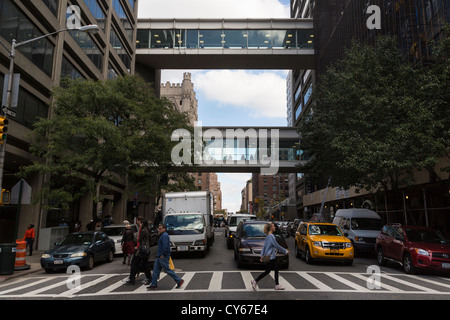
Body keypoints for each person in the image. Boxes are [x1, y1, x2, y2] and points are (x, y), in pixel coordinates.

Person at [251, 222, 289, 291]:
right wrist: (285, 251)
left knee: (269, 271)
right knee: (273, 270)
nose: (275, 227)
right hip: (270, 256)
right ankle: (275, 285)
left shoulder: (267, 236)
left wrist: (261, 256)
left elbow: (264, 247)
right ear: (270, 228)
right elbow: (276, 245)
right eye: (273, 226)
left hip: (269, 256)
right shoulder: (271, 236)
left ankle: (255, 281)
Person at [147, 224, 184, 290]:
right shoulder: (162, 235)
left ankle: (179, 280)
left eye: (160, 229)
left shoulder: (164, 236)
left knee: (167, 270)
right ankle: (153, 284)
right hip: (159, 256)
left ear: (164, 229)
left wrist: (163, 254)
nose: (159, 230)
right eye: (159, 228)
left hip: (162, 256)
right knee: (155, 271)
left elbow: (165, 247)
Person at [124, 217, 152, 285]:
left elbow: (139, 240)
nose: (137, 222)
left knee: (135, 264)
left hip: (141, 250)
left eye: (138, 221)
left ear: (141, 222)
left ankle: (132, 279)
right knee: (143, 264)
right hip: (143, 249)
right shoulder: (146, 230)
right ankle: (133, 278)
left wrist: (136, 246)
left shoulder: (143, 230)